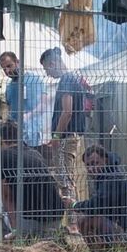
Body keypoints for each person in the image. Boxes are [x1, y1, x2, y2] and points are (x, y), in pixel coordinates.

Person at [73, 145, 127, 252]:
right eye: (88, 165)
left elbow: (97, 205)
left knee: (95, 220)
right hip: (122, 229)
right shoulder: (105, 177)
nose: (91, 168)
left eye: (95, 163)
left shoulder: (112, 178)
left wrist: (74, 205)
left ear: (105, 160)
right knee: (84, 221)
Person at [0, 120, 64, 240]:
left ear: (2, 139)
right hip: (56, 213)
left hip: (29, 218)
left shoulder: (1, 157)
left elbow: (6, 195)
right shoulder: (35, 153)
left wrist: (15, 229)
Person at [43, 47, 93, 199]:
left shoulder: (67, 80)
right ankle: (75, 218)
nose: (47, 74)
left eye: (46, 69)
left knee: (65, 181)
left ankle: (73, 221)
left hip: (66, 137)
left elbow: (67, 112)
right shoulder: (74, 78)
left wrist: (57, 136)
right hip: (71, 135)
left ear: (52, 64)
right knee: (67, 180)